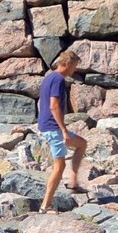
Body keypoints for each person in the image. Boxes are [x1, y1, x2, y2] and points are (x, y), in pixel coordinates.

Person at [37, 52, 88, 213]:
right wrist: (64, 130)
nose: (74, 70)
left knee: (81, 144)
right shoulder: (58, 79)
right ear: (67, 64)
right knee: (59, 166)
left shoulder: (49, 77)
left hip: (48, 125)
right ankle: (45, 205)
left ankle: (73, 182)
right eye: (74, 66)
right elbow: (53, 105)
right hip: (53, 128)